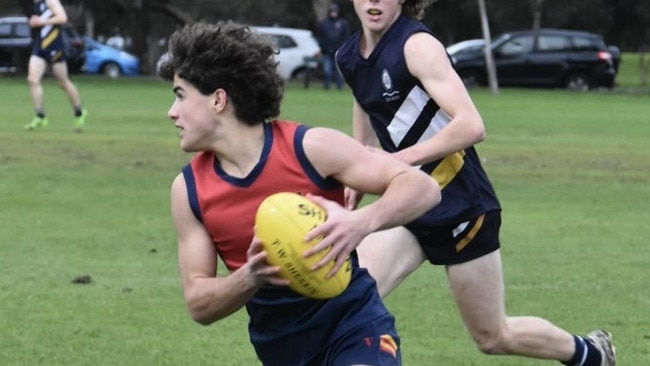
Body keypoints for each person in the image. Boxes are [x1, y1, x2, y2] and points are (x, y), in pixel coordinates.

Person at [335, 1, 617, 365]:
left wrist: (399, 159)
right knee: (348, 297)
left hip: (460, 205)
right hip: (408, 202)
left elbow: (471, 125)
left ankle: (590, 354)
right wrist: (360, 169)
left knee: (493, 335)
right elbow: (366, 103)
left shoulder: (417, 46)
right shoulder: (348, 56)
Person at [158, 21, 441, 366]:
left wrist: (358, 223)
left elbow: (422, 187)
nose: (172, 112)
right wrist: (252, 275)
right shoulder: (189, 191)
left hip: (354, 327)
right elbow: (198, 304)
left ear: (218, 99)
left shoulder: (309, 148)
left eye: (180, 96)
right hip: (284, 351)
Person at [25, 0, 87, 132]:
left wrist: (42, 22)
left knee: (63, 82)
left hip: (54, 46)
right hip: (40, 46)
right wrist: (33, 23)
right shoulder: (35, 4)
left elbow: (62, 17)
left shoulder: (50, 1)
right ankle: (40, 116)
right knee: (32, 79)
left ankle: (79, 112)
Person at [317, 3, 350, 90]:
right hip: (327, 51)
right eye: (332, 11)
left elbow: (346, 36)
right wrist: (323, 47)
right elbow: (320, 37)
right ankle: (327, 86)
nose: (333, 13)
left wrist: (342, 47)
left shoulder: (342, 23)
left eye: (335, 11)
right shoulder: (324, 23)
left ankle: (339, 86)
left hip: (339, 51)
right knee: (327, 70)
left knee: (338, 70)